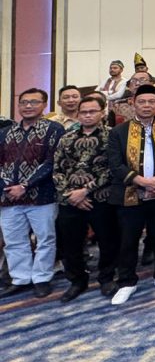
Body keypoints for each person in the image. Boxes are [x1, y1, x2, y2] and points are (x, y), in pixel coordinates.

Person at [106, 83, 155, 305]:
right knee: (128, 239)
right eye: (142, 102)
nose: (146, 105)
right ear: (133, 103)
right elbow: (115, 164)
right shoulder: (119, 131)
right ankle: (127, 282)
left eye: (151, 102)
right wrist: (141, 181)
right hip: (130, 193)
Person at [53, 93, 118, 301]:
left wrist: (85, 191)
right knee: (70, 243)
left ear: (102, 113)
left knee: (108, 241)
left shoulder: (112, 136)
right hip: (70, 199)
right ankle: (77, 281)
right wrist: (71, 194)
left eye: (92, 111)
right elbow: (57, 169)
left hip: (101, 197)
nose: (87, 115)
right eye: (84, 112)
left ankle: (106, 278)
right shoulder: (67, 137)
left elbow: (113, 168)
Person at [0, 89, 64, 299]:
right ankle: (21, 278)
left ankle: (41, 278)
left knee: (45, 239)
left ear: (44, 105)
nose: (28, 106)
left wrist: (25, 186)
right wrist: (7, 186)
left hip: (41, 197)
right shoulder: (6, 132)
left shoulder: (54, 129)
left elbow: (52, 162)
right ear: (18, 106)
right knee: (14, 240)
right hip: (9, 197)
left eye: (34, 102)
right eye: (24, 102)